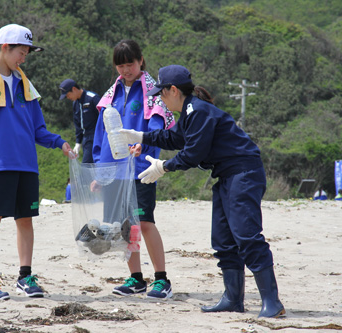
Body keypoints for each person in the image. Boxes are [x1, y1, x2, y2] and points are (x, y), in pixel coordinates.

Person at [119, 64, 285, 318]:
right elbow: (173, 139)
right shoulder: (188, 114)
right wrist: (140, 136)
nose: (160, 99)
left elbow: (192, 153)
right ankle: (232, 299)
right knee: (223, 241)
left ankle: (272, 302)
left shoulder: (198, 111)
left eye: (161, 94)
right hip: (226, 175)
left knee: (247, 236)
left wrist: (164, 167)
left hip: (244, 173)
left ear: (173, 90)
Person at [0, 23, 72, 300]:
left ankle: (25, 277)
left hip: (26, 165)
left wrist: (59, 142)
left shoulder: (26, 85)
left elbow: (37, 129)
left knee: (25, 220)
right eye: (20, 52)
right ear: (5, 48)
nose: (23, 58)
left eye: (26, 53)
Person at [93, 39, 175, 299]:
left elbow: (158, 126)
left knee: (145, 222)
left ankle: (162, 279)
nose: (125, 69)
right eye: (120, 65)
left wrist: (145, 145)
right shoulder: (111, 94)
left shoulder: (152, 91)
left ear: (141, 61)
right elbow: (100, 134)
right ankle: (136, 278)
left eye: (130, 63)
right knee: (125, 226)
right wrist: (100, 170)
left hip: (141, 169)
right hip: (115, 170)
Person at [59, 79, 101, 163]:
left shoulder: (92, 98)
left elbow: (104, 118)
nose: (68, 97)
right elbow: (77, 124)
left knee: (87, 165)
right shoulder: (75, 104)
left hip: (96, 137)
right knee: (90, 168)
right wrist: (78, 142)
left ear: (74, 89)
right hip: (86, 139)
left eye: (68, 95)